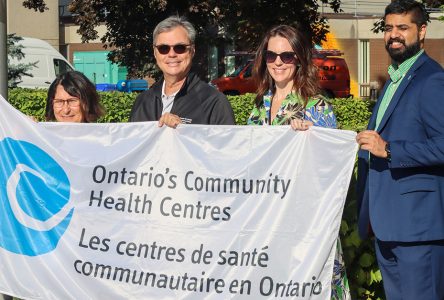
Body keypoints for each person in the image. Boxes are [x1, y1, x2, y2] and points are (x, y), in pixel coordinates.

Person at [247, 25, 349, 300]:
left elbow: (332, 172)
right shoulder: (258, 106)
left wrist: (310, 141)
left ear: (300, 59)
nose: (278, 62)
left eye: (287, 56)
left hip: (307, 229)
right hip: (267, 226)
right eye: (271, 56)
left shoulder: (316, 107)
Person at [356, 0, 444, 299]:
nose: (394, 34)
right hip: (386, 225)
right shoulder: (395, 79)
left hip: (419, 231)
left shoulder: (432, 80)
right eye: (389, 27)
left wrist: (389, 149)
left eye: (402, 28)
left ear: (421, 31)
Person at [129, 16, 235, 127]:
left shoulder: (214, 102)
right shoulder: (142, 102)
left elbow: (226, 143)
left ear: (192, 51)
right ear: (155, 53)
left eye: (180, 47)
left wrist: (185, 131)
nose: (172, 54)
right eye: (163, 48)